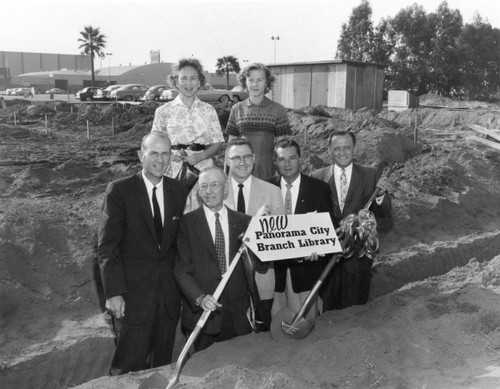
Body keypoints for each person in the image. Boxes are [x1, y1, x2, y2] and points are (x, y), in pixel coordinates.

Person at [97, 132, 188, 375]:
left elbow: (179, 243)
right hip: (133, 297)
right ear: (141, 155)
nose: (161, 160)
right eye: (154, 153)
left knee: (160, 366)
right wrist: (114, 293)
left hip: (168, 297)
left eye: (166, 154)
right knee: (128, 365)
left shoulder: (178, 191)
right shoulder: (119, 190)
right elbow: (107, 246)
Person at [311, 130, 392, 310]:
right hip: (327, 258)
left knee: (354, 311)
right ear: (329, 150)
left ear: (354, 148)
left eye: (347, 147)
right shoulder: (317, 177)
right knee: (328, 311)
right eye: (337, 148)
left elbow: (384, 211)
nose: (342, 152)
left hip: (357, 259)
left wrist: (380, 195)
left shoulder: (371, 175)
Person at [175, 167, 253, 351]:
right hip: (203, 313)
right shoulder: (186, 224)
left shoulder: (245, 221)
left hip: (237, 313)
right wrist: (199, 297)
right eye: (203, 187)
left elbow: (257, 265)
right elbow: (181, 269)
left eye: (214, 185)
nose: (208, 191)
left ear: (225, 189)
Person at [267, 138, 334, 319]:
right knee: (277, 325)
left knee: (306, 326)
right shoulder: (266, 188)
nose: (287, 164)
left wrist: (318, 249)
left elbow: (328, 229)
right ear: (275, 162)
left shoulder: (319, 189)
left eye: (292, 158)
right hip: (276, 273)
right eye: (281, 159)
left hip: (306, 272)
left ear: (300, 159)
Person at [224, 137, 285, 330]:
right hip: (227, 278)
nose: (242, 162)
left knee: (261, 333)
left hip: (261, 276)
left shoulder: (272, 191)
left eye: (247, 156)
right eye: (236, 158)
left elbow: (281, 236)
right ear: (227, 160)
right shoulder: (216, 190)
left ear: (254, 158)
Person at [151, 58, 225, 212]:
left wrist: (201, 156)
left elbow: (218, 142)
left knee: (203, 216)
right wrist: (171, 155)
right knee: (175, 214)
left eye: (193, 78)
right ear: (175, 82)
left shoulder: (208, 110)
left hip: (203, 172)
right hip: (173, 172)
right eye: (183, 78)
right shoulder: (163, 111)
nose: (188, 83)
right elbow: (155, 144)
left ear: (199, 82)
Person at [225, 63, 291, 180]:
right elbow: (231, 146)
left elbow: (284, 148)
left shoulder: (278, 110)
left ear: (267, 82)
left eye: (260, 80)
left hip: (267, 172)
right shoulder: (236, 109)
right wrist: (226, 174)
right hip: (241, 171)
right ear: (245, 82)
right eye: (251, 80)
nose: (255, 84)